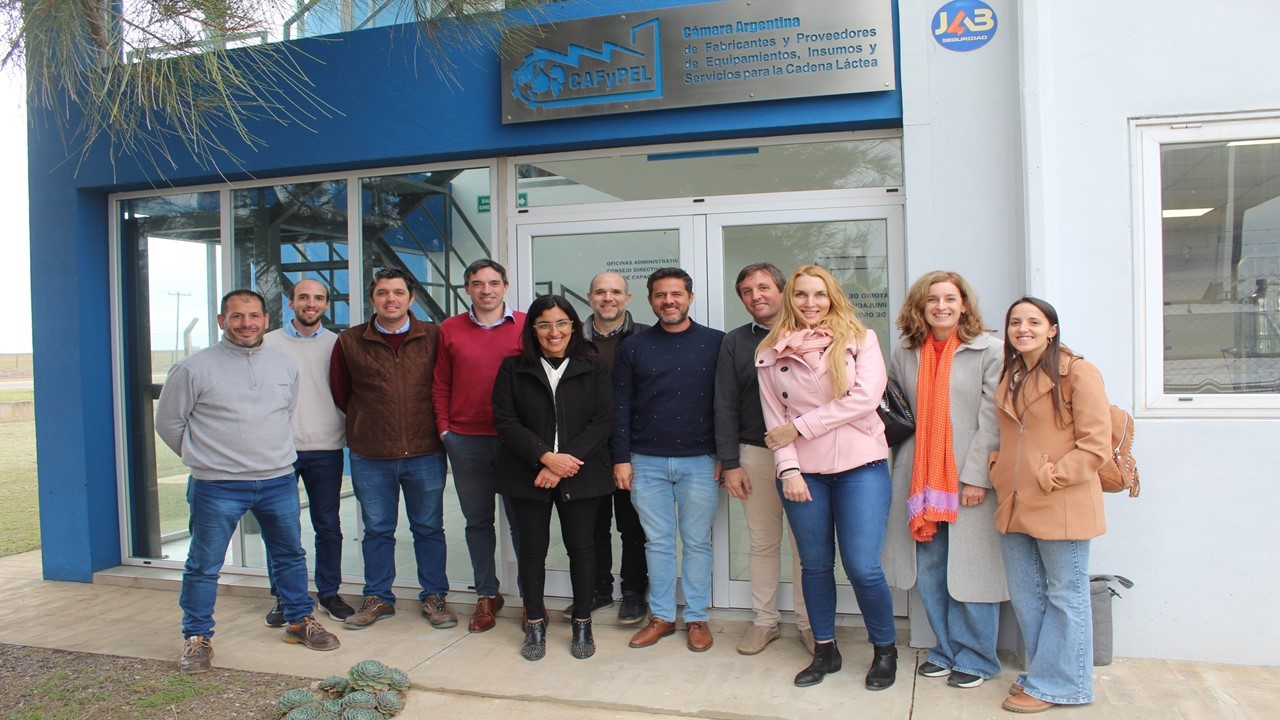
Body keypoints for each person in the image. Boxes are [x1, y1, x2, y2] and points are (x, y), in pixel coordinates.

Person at [156, 290, 340, 674]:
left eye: (254, 315)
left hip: (276, 479)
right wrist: (204, 459)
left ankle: (298, 620)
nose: (246, 323)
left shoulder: (284, 365)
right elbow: (169, 424)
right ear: (222, 320)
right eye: (237, 316)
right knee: (204, 564)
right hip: (217, 485)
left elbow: (283, 413)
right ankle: (197, 637)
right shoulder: (193, 369)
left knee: (290, 554)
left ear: (266, 318)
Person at [757, 264, 897, 690]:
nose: (810, 303)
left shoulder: (860, 339)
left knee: (863, 566)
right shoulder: (769, 350)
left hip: (861, 466)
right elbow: (773, 418)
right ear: (790, 299)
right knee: (814, 566)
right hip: (805, 473)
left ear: (832, 296)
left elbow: (865, 398)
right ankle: (825, 650)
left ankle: (884, 650)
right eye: (801, 295)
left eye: (819, 294)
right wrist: (789, 470)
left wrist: (802, 427)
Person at [882, 271, 1006, 690]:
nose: (941, 306)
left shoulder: (990, 350)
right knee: (931, 567)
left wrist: (977, 478)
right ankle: (945, 650)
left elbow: (992, 421)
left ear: (964, 304)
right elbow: (897, 411)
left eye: (950, 298)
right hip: (920, 476)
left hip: (967, 477)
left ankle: (978, 658)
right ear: (920, 306)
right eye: (932, 299)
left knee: (971, 567)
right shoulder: (905, 351)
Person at [990, 297, 1109, 714]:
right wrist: (999, 469)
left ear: (1052, 328)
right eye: (1015, 322)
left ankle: (1064, 685)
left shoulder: (1078, 372)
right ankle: (1043, 675)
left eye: (1034, 322)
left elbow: (1096, 444)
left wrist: (1051, 475)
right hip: (1015, 499)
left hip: (1061, 499)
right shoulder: (1012, 374)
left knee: (1066, 594)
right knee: (1027, 595)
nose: (1023, 328)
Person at [330, 268, 457, 631]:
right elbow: (342, 392)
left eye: (398, 292)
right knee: (377, 530)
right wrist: (364, 424)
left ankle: (434, 597)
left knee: (429, 528)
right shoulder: (350, 341)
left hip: (425, 451)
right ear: (373, 299)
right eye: (383, 293)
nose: (391, 299)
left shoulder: (433, 336)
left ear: (410, 298)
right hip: (371, 455)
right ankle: (377, 598)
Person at [493, 296, 614, 661]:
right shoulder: (513, 368)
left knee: (582, 549)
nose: (554, 331)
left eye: (562, 323)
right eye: (544, 324)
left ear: (574, 327)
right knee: (531, 551)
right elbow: (506, 421)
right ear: (533, 329)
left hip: (584, 473)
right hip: (527, 474)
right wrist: (545, 458)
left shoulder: (592, 367)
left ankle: (581, 621)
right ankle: (534, 622)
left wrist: (565, 463)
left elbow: (602, 420)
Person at [614, 267, 724, 653]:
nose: (669, 301)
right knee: (657, 543)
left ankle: (696, 618)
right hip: (646, 461)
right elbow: (621, 405)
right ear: (650, 301)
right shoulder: (634, 346)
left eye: (676, 294)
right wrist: (621, 458)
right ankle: (661, 617)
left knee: (697, 542)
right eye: (660, 295)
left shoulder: (716, 343)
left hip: (701, 460)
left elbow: (724, 406)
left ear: (690, 297)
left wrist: (727, 456)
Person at [714, 262, 811, 655]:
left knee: (807, 545)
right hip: (754, 453)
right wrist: (730, 461)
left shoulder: (812, 333)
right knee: (762, 543)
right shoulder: (736, 342)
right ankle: (765, 621)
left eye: (764, 287)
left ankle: (810, 623)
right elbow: (724, 403)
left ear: (782, 290)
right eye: (747, 291)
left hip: (808, 455)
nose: (757, 296)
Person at [433, 259, 526, 633]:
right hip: (466, 440)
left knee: (523, 523)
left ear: (505, 286)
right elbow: (440, 383)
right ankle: (487, 594)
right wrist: (445, 431)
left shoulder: (525, 326)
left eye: (492, 283)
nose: (485, 289)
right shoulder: (450, 329)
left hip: (516, 442)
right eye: (477, 283)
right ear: (467, 289)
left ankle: (529, 597)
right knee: (477, 522)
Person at [261, 279, 354, 625]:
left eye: (317, 298)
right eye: (303, 297)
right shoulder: (268, 343)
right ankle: (286, 598)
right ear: (291, 303)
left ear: (327, 305)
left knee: (328, 525)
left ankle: (329, 592)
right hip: (279, 452)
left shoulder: (340, 344)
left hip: (326, 447)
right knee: (282, 529)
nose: (310, 303)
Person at [572, 271, 650, 625]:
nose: (608, 298)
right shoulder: (572, 339)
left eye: (615, 292)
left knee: (632, 526)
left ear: (628, 298)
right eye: (600, 292)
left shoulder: (647, 337)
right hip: (586, 448)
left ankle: (633, 593)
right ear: (589, 297)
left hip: (633, 447)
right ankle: (598, 589)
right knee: (592, 525)